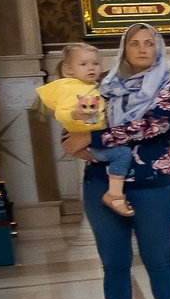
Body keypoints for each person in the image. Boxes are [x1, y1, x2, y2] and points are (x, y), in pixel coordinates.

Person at [86, 24, 170, 299]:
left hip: (152, 185)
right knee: (114, 265)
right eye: (135, 43)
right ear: (124, 48)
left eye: (149, 43)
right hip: (102, 186)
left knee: (158, 262)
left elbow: (152, 126)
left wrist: (96, 141)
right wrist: (75, 140)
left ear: (158, 48)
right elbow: (73, 128)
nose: (142, 48)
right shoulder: (102, 89)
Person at [39, 42, 133, 216]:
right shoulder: (69, 88)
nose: (91, 68)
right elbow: (62, 113)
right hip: (89, 140)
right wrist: (74, 114)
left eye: (95, 64)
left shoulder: (94, 86)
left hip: (95, 137)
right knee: (123, 154)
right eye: (83, 64)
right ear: (68, 69)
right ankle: (114, 194)